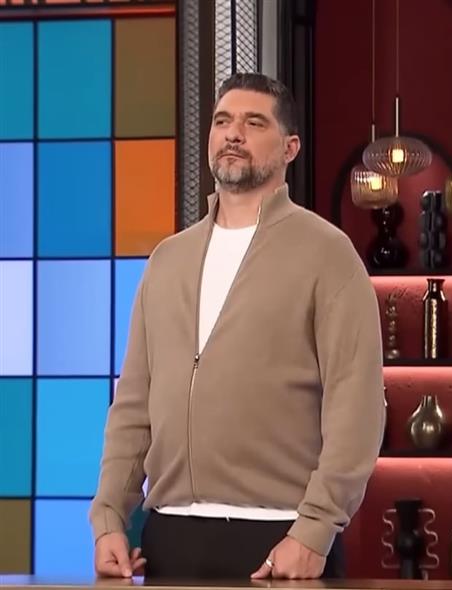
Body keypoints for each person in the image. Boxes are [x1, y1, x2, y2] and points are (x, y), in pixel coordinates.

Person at [89, 73, 386, 581]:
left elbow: (356, 406)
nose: (233, 133)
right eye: (223, 121)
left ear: (290, 147)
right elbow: (134, 405)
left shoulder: (327, 254)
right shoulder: (168, 260)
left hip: (280, 541)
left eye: (254, 123)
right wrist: (109, 518)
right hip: (169, 537)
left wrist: (314, 530)